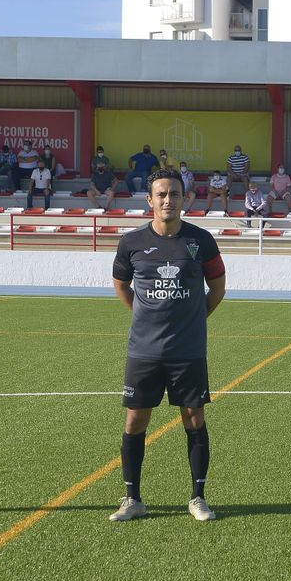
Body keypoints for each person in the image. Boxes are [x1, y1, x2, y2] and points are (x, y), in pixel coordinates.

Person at [109, 168, 226, 524]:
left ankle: (198, 497)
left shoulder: (201, 240)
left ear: (184, 198)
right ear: (150, 200)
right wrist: (146, 316)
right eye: (161, 194)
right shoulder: (131, 243)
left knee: (194, 418)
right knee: (135, 420)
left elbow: (217, 287)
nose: (168, 200)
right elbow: (121, 285)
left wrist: (193, 318)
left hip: (188, 351)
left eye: (174, 194)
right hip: (143, 351)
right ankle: (132, 499)